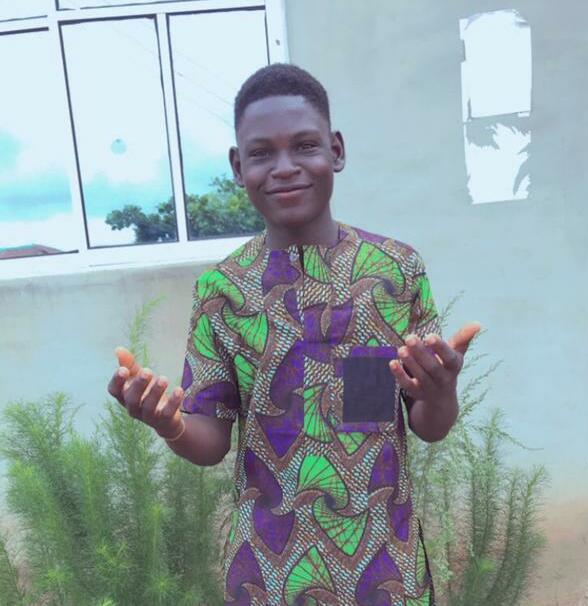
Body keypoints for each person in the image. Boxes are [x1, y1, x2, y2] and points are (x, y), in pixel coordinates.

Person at [107, 63, 480, 606]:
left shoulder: (395, 272)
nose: (284, 168)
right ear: (239, 167)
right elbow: (211, 440)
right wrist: (170, 423)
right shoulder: (223, 291)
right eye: (262, 153)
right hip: (269, 573)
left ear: (336, 151)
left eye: (305, 146)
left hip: (384, 569)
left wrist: (441, 390)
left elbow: (428, 424)